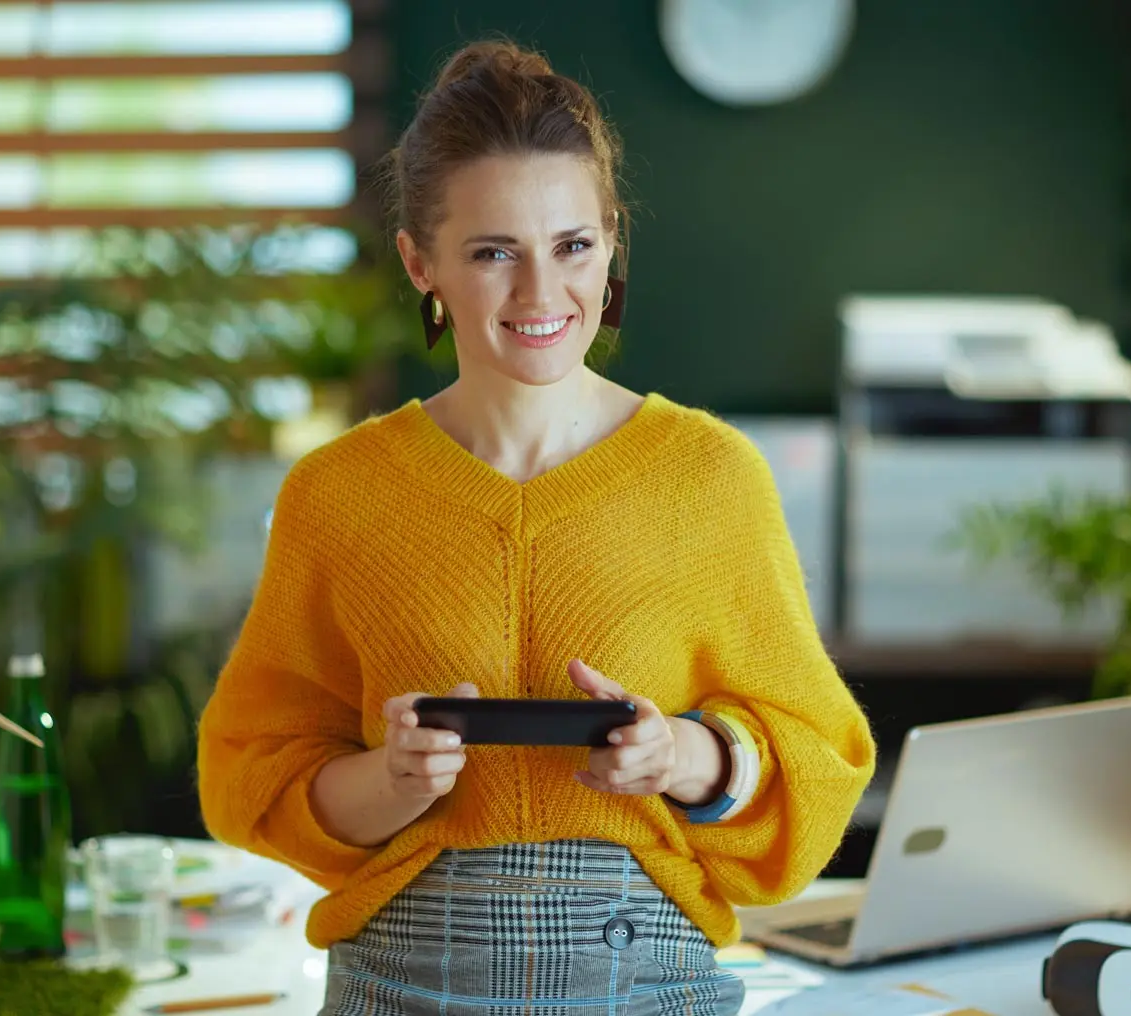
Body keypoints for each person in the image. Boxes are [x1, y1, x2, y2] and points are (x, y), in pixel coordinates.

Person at [197, 39, 876, 1016]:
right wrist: (392, 780)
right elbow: (256, 771)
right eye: (491, 253)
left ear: (612, 242)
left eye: (572, 246)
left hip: (649, 977)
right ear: (418, 262)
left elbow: (812, 753)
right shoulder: (335, 493)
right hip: (393, 982)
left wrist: (679, 756)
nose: (541, 294)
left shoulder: (712, 476)